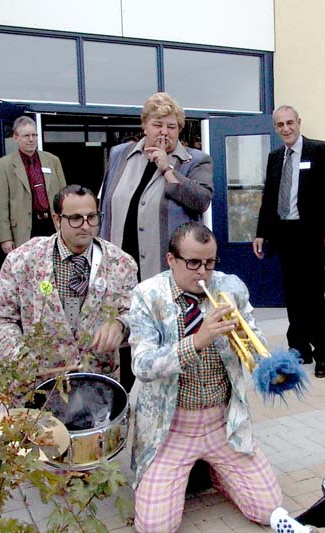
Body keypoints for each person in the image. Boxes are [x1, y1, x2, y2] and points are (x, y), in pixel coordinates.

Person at [128, 222, 282, 533]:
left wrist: (249, 342)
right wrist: (198, 340)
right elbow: (142, 366)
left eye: (210, 263)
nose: (203, 273)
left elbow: (257, 341)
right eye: (193, 263)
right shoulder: (147, 295)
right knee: (156, 528)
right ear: (171, 260)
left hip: (223, 423)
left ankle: (218, 473)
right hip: (170, 428)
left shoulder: (231, 287)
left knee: (269, 510)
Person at [99, 92, 213, 391]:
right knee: (124, 341)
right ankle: (124, 410)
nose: (164, 132)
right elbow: (106, 207)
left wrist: (167, 168)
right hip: (122, 268)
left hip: (163, 272)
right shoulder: (119, 155)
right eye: (157, 124)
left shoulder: (194, 160)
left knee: (161, 341)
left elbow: (200, 201)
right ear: (144, 125)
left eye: (172, 126)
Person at [0, 185, 138, 380]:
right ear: (57, 219)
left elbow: (135, 315)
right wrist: (20, 358)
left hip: (97, 388)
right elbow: (1, 319)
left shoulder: (122, 263)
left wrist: (120, 325)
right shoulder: (23, 260)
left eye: (91, 217)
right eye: (75, 218)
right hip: (38, 386)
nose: (85, 225)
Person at [253, 105, 325, 378]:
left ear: (299, 123)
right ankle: (299, 348)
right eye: (280, 124)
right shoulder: (275, 156)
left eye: (290, 122)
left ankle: (322, 355)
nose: (286, 129)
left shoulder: (321, 150)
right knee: (292, 294)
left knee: (313, 295)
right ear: (276, 128)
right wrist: (261, 232)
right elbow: (269, 197)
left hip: (312, 235)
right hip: (285, 234)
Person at [0, 116, 67, 256]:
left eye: (34, 135)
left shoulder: (52, 160)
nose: (31, 139)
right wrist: (5, 238)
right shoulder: (3, 165)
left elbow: (64, 196)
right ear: (15, 138)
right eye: (26, 136)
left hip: (51, 224)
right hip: (24, 227)